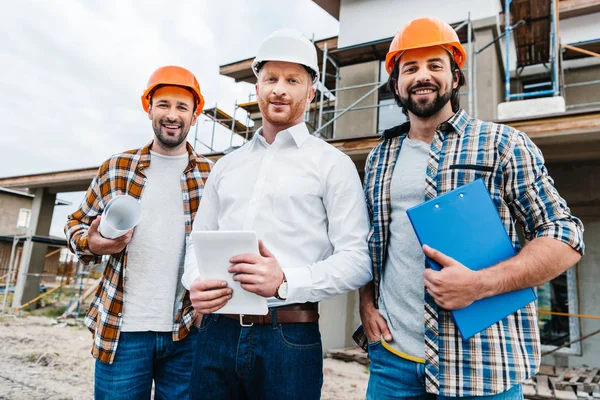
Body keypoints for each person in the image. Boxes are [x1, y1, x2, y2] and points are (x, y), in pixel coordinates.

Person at [354, 17, 584, 399]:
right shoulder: (379, 157)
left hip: (481, 366)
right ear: (396, 84)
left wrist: (480, 285)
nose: (421, 76)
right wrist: (365, 304)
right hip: (392, 363)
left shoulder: (504, 144)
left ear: (455, 78)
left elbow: (565, 236)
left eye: (434, 65)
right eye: (409, 68)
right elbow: (369, 242)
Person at [182, 29, 371, 400]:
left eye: (292, 80)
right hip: (215, 332)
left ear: (311, 92)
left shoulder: (333, 165)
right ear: (257, 88)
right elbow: (197, 241)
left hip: (288, 337)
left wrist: (286, 282)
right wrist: (194, 282)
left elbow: (358, 260)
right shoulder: (227, 166)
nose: (279, 89)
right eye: (270, 79)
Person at [64, 66, 212, 399]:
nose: (172, 115)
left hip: (186, 332)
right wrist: (93, 242)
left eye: (181, 107)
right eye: (163, 105)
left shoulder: (210, 175)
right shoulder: (117, 167)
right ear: (149, 108)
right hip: (123, 331)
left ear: (195, 114)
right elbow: (74, 224)